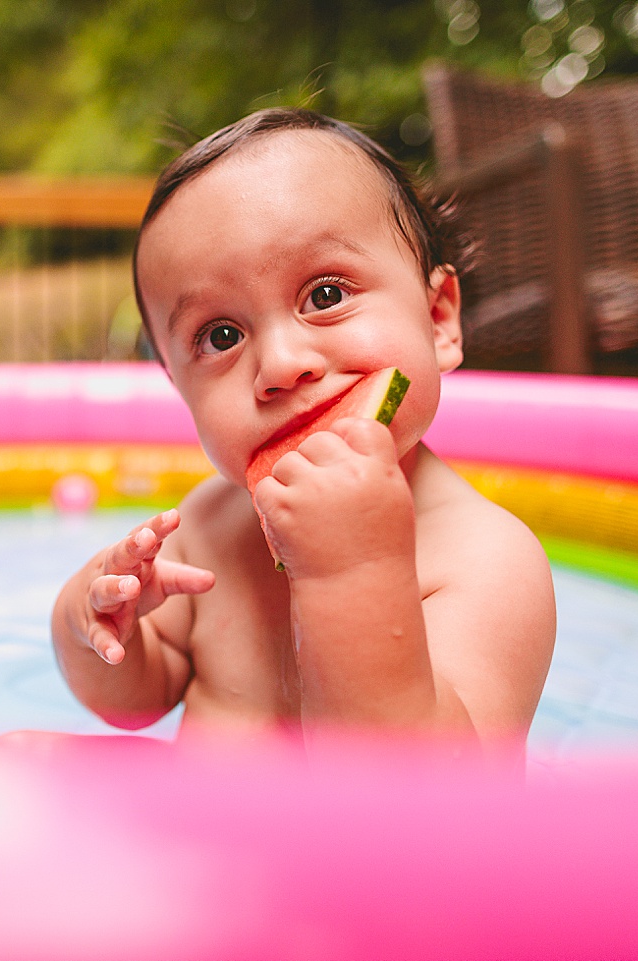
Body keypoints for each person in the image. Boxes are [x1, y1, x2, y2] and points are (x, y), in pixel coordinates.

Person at [51, 108, 556, 761]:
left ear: (438, 319)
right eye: (221, 336)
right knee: (15, 763)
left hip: (359, 863)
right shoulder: (209, 529)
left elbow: (427, 811)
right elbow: (132, 702)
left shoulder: (487, 558)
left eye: (324, 294)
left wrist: (355, 570)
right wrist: (93, 628)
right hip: (205, 841)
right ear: (182, 393)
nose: (282, 364)